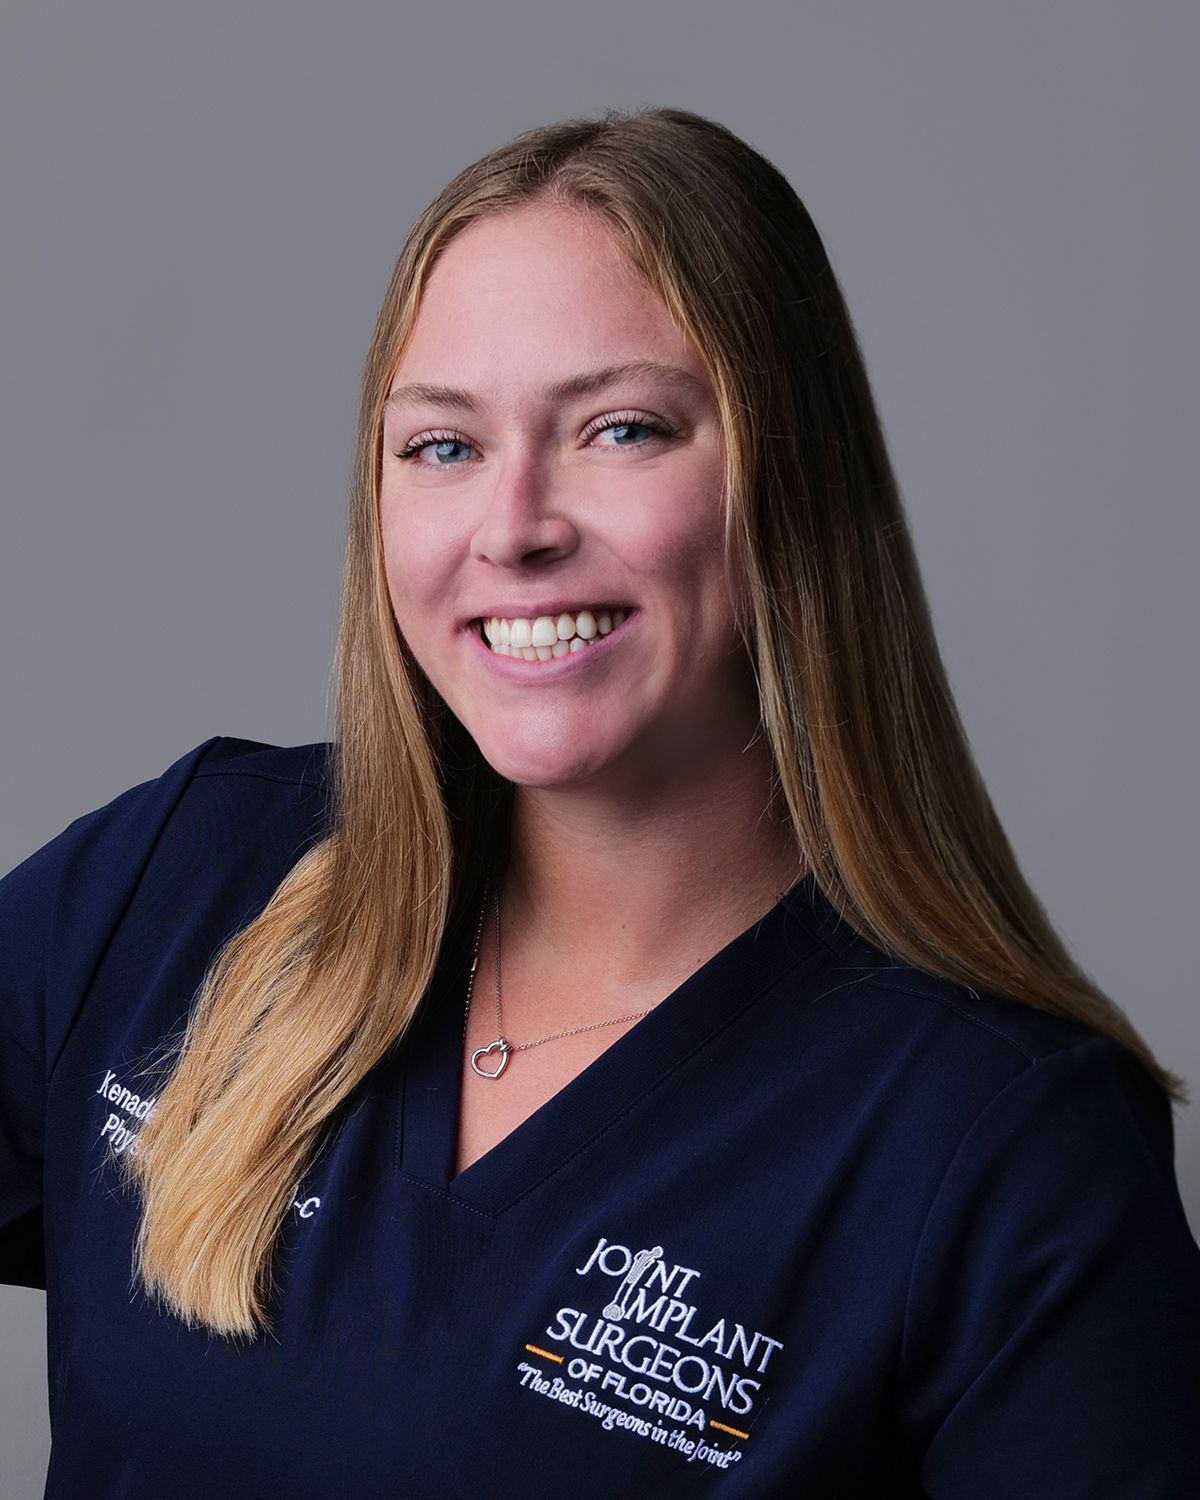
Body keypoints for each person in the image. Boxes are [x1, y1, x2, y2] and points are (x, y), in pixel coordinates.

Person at [2, 106, 1199, 1498]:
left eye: (620, 430)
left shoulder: (995, 1146)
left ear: (786, 484)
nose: (513, 525)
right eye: (442, 447)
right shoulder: (186, 875)